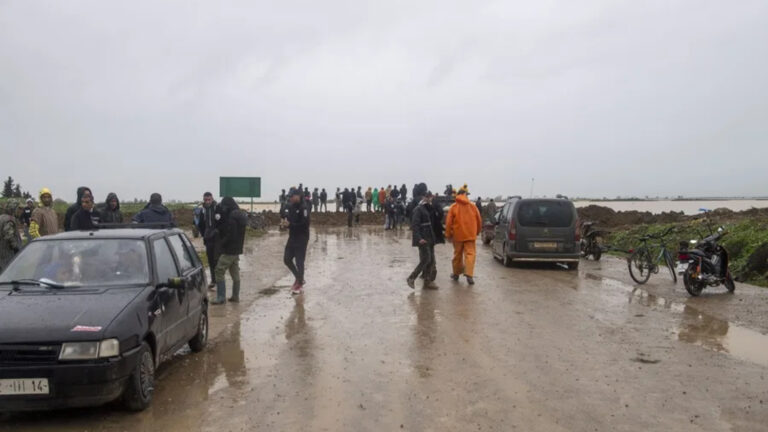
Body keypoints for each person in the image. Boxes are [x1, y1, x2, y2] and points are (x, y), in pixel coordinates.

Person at [212, 197, 247, 304]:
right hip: (237, 249)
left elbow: (231, 234)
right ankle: (235, 296)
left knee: (219, 271)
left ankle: (221, 297)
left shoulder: (232, 217)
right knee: (234, 272)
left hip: (229, 249)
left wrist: (222, 243)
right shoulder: (241, 215)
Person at [445, 186, 483, 285]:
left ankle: (456, 274)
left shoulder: (453, 207)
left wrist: (448, 235)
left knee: (457, 254)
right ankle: (469, 274)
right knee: (470, 254)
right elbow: (479, 220)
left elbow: (448, 223)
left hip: (458, 236)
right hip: (470, 235)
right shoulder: (473, 206)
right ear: (466, 195)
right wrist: (477, 232)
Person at [281, 188, 310, 295]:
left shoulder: (304, 207)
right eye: (289, 197)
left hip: (302, 237)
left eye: (292, 196)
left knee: (299, 261)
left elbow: (305, 225)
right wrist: (285, 224)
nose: (290, 198)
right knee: (287, 259)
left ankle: (299, 284)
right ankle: (299, 278)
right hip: (292, 236)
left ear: (298, 196)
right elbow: (287, 218)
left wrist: (291, 225)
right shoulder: (291, 206)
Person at [406, 189, 435, 289]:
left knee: (431, 260)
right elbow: (415, 225)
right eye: (428, 197)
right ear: (424, 198)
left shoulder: (427, 208)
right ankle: (411, 278)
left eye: (430, 197)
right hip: (423, 238)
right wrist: (419, 238)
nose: (430, 199)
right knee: (425, 259)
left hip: (429, 238)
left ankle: (427, 282)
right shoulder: (418, 209)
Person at [197, 192, 219, 290]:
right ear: (203, 200)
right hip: (208, 238)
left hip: (217, 238)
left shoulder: (217, 208)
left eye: (209, 199)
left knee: (217, 259)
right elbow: (200, 224)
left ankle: (220, 280)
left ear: (212, 198)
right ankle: (213, 280)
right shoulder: (202, 210)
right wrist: (204, 235)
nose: (207, 201)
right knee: (210, 259)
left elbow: (222, 223)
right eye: (206, 200)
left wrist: (218, 233)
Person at [0, 200, 22, 272]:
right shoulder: (9, 219)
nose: (20, 211)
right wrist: (17, 248)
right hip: (7, 252)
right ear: (13, 208)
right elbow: (9, 235)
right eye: (18, 208)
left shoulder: (1, 217)